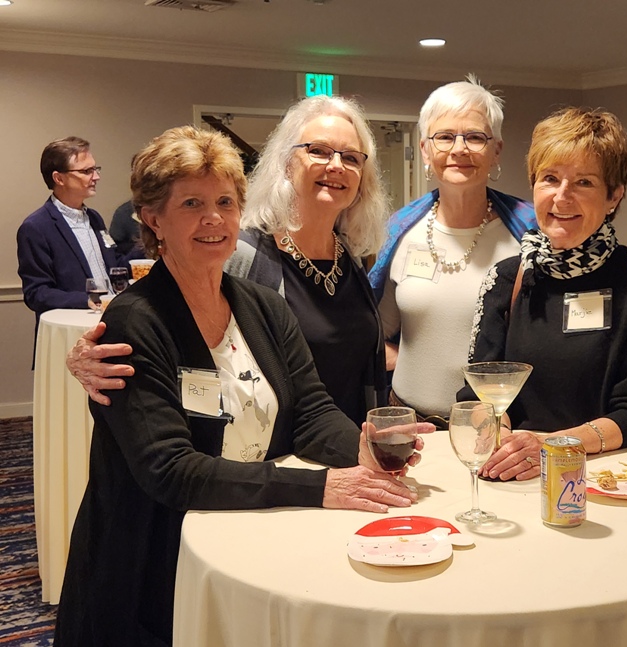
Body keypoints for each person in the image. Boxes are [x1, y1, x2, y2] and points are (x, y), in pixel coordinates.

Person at [52, 126, 424, 647]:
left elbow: (311, 411)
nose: (214, 218)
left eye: (225, 202)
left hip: (248, 530)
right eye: (192, 203)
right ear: (153, 219)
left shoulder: (262, 306)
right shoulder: (135, 321)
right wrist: (320, 487)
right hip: (155, 558)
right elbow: (170, 470)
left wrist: (361, 447)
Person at [67, 95, 388, 427]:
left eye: (351, 157)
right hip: (264, 445)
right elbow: (166, 328)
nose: (336, 165)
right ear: (286, 162)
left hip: (341, 437)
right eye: (318, 151)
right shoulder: (237, 251)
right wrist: (91, 355)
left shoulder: (350, 256)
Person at [466, 107, 627, 481]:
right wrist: (502, 439)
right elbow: (476, 394)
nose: (562, 197)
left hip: (603, 476)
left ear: (614, 196)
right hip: (516, 473)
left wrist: (553, 446)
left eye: (583, 182)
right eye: (550, 179)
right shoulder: (506, 278)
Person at [369, 76, 535, 424]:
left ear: (496, 150)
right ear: (424, 149)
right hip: (411, 426)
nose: (459, 149)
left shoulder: (530, 233)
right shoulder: (399, 231)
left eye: (475, 137)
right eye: (444, 137)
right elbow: (375, 329)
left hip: (499, 429)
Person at [17, 137, 124, 323]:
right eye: (86, 171)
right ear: (59, 178)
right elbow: (37, 293)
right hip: (73, 327)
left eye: (95, 169)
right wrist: (87, 300)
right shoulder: (36, 227)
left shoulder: (94, 218)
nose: (96, 177)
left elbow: (114, 265)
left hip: (110, 320)